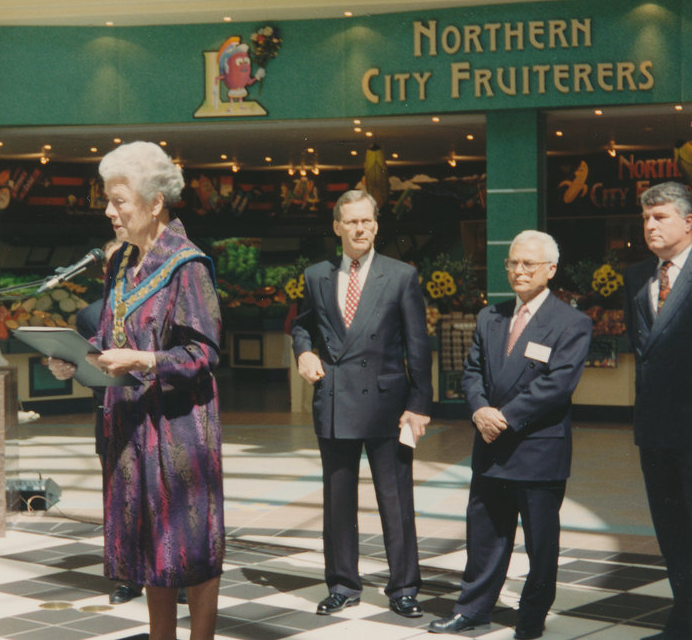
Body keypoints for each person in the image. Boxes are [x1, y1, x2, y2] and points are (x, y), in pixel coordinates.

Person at [49, 141, 223, 640]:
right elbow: (111, 336)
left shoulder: (187, 265)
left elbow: (204, 353)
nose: (109, 211)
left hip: (179, 430)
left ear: (154, 203)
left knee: (191, 542)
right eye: (107, 199)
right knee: (151, 544)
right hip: (130, 425)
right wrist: (75, 358)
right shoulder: (121, 263)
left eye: (118, 201)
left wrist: (145, 359)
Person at [429, 230, 592, 639]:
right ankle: (472, 610)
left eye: (528, 264)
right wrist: (480, 410)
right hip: (489, 447)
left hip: (537, 449)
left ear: (550, 270)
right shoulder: (491, 316)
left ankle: (532, 616)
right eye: (512, 263)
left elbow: (558, 385)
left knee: (541, 543)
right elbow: (471, 371)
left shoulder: (571, 322)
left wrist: (501, 417)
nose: (518, 271)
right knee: (484, 534)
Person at [291, 189, 432, 618]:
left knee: (396, 500)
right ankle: (342, 584)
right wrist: (304, 352)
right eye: (352, 222)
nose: (360, 229)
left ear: (376, 225)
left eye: (367, 221)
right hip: (334, 400)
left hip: (388, 404)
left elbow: (418, 345)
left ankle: (404, 587)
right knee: (337, 502)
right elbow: (301, 326)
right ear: (337, 227)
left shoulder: (401, 275)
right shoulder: (316, 275)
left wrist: (420, 403)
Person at [623, 181, 692, 640]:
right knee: (670, 530)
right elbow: (643, 350)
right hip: (654, 429)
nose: (650, 225)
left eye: (660, 216)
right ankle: (683, 616)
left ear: (689, 221)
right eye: (646, 218)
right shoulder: (637, 278)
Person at [74, 238, 146, 606]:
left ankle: (173, 576)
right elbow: (83, 366)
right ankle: (128, 577)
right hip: (111, 419)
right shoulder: (90, 315)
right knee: (119, 502)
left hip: (155, 417)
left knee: (159, 502)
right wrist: (67, 366)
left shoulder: (154, 308)